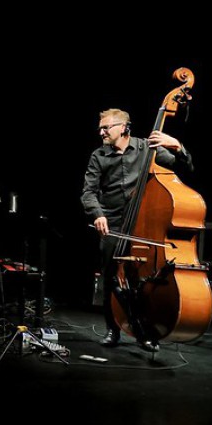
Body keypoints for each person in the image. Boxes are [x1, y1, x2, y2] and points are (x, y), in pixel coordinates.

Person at [81, 108, 193, 351]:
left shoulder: (147, 148)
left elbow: (184, 167)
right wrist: (98, 214)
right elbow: (88, 192)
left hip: (144, 224)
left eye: (106, 127)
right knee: (111, 278)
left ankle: (145, 329)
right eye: (100, 128)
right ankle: (113, 329)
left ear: (123, 127)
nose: (101, 132)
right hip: (113, 224)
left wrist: (177, 146)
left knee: (142, 279)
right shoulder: (98, 155)